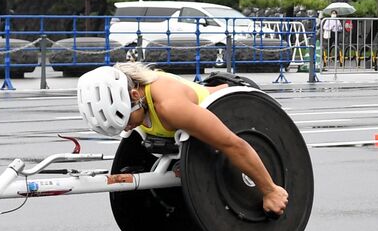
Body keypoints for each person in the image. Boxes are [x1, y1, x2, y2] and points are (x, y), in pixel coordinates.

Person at [77, 62, 288, 215]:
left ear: (134, 96)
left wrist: (270, 190)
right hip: (197, 133)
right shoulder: (136, 103)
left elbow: (233, 144)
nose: (128, 127)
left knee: (227, 145)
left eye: (127, 120)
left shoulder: (170, 107)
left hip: (241, 108)